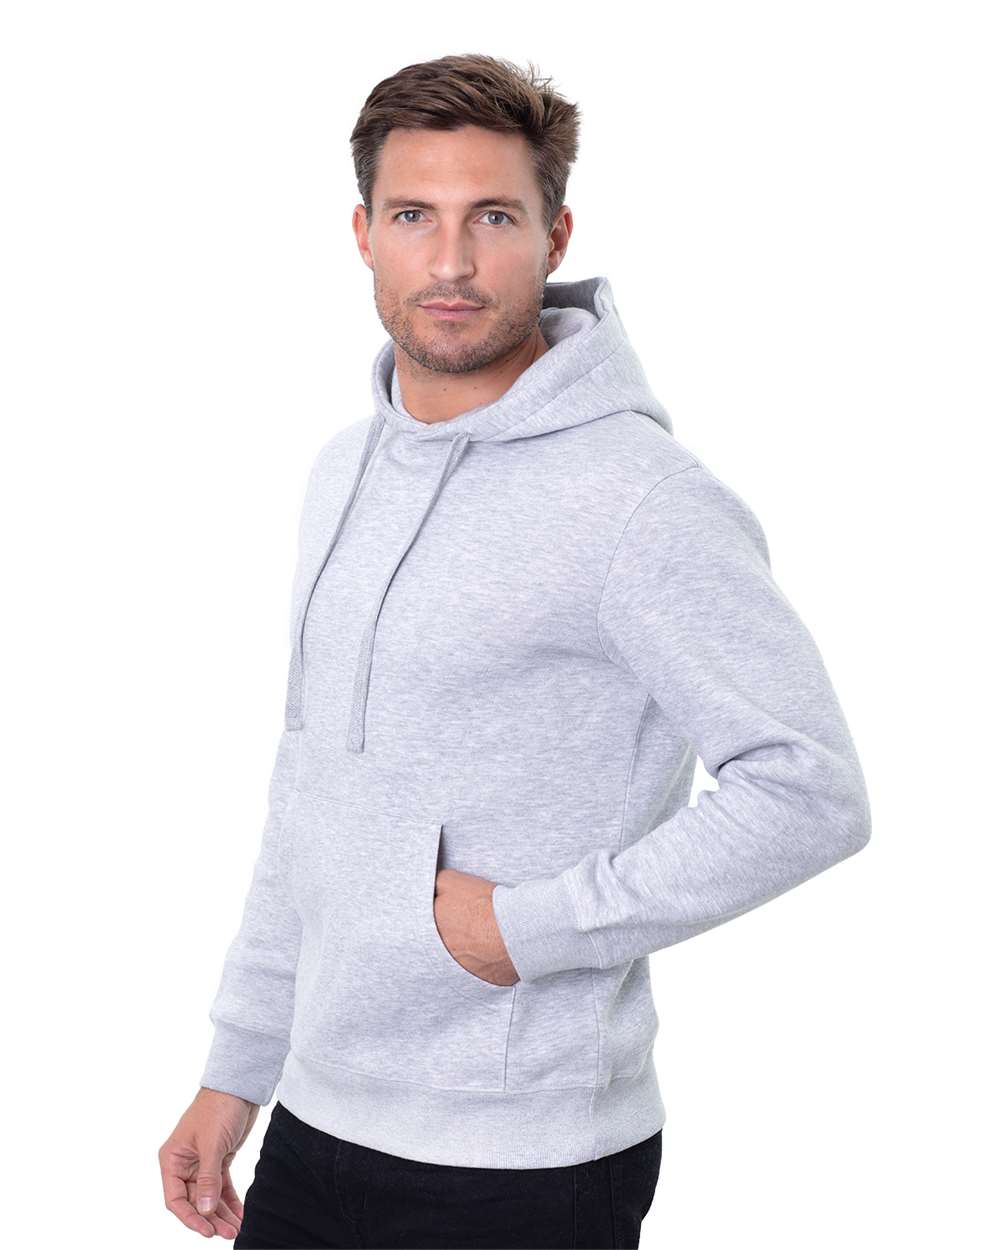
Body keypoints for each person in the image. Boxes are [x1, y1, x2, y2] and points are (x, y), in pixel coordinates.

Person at [158, 52, 871, 1249]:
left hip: (524, 1161)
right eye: (412, 216)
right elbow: (311, 785)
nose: (449, 262)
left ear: (554, 234)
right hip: (317, 1125)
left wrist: (531, 926)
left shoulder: (642, 499)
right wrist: (239, 1064)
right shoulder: (344, 471)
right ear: (362, 234)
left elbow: (810, 790)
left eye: (491, 216)